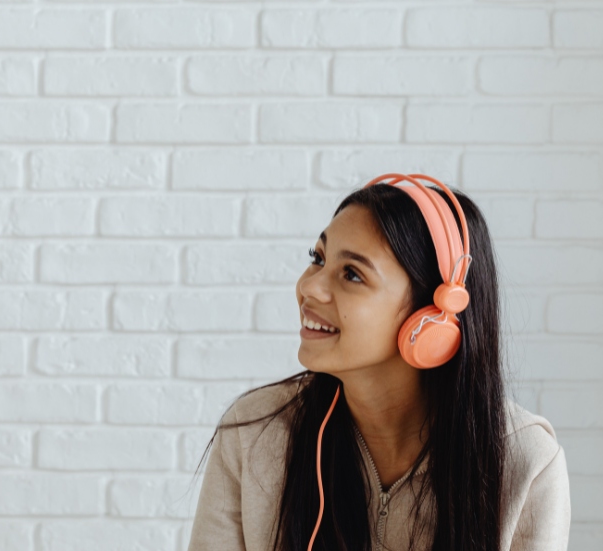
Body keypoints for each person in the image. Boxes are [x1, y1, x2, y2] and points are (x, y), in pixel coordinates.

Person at [186, 175, 570, 551]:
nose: (309, 287)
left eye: (352, 274)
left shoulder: (525, 462)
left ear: (432, 317)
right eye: (317, 258)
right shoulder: (254, 433)